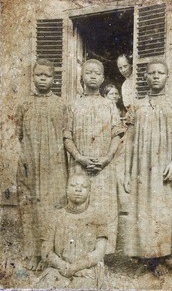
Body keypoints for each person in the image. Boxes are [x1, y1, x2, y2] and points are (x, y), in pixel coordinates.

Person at [124, 60, 172, 276]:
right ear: (145, 77)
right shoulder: (137, 105)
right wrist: (127, 171)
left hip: (165, 166)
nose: (156, 76)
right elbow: (128, 140)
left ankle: (162, 258)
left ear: (167, 76)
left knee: (163, 210)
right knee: (143, 210)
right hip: (142, 166)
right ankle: (145, 257)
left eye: (161, 72)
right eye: (152, 73)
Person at [63, 59, 125, 254]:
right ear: (82, 76)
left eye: (97, 73)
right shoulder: (73, 105)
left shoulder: (109, 105)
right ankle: (79, 252)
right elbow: (67, 137)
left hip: (103, 168)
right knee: (79, 205)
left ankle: (100, 255)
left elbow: (117, 135)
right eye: (88, 72)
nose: (92, 76)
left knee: (103, 208)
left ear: (103, 78)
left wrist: (106, 159)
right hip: (80, 166)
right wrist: (79, 158)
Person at [15, 59, 68, 271]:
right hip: (30, 163)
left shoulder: (61, 105)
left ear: (54, 79)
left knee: (52, 207)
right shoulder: (25, 105)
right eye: (39, 75)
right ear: (33, 77)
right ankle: (33, 253)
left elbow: (66, 137)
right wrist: (28, 157)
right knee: (31, 208)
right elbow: (19, 135)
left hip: (54, 166)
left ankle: (51, 254)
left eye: (47, 76)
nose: (43, 79)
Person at [35, 174, 108, 289]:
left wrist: (74, 268)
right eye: (73, 185)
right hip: (58, 269)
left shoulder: (97, 216)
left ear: (89, 192)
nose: (78, 189)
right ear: (67, 189)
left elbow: (99, 253)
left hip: (87, 270)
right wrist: (64, 267)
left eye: (83, 186)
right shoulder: (55, 216)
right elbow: (46, 251)